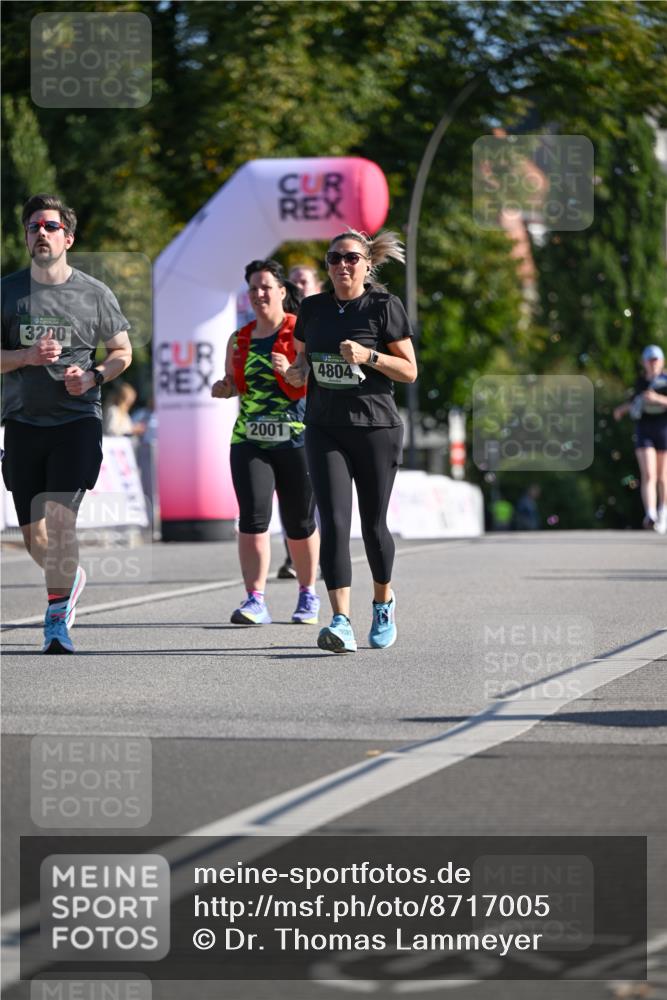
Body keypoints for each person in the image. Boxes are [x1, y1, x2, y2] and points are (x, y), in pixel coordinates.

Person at [1, 193, 132, 653]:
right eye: (33, 225)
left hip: (76, 421)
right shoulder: (8, 292)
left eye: (50, 226)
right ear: (25, 236)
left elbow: (122, 352)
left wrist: (94, 375)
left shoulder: (94, 293)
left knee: (59, 521)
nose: (41, 232)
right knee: (32, 534)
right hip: (21, 422)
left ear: (68, 238)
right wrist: (25, 356)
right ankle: (69, 578)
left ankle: (56, 618)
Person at [286, 229, 417, 653]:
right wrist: (294, 373)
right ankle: (340, 620)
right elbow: (304, 363)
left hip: (375, 427)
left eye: (352, 258)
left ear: (366, 264)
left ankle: (382, 601)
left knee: (373, 524)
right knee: (335, 523)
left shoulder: (383, 306)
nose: (343, 265)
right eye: (335, 258)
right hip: (325, 427)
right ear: (327, 265)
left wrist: (370, 357)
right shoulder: (312, 309)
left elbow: (410, 371)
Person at [211, 259, 320, 624]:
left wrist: (286, 371)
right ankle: (254, 599)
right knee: (252, 518)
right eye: (253, 288)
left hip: (295, 439)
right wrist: (224, 389)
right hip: (249, 438)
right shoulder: (239, 338)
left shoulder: (300, 332)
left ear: (282, 292)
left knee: (299, 521)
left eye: (266, 287)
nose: (259, 294)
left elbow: (309, 384)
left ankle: (308, 595)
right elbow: (234, 383)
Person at [274, 264, 324, 581]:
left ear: (317, 285)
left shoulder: (325, 317)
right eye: (292, 281)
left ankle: (319, 554)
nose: (297, 286)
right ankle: (292, 555)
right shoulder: (277, 323)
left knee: (315, 490)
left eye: (303, 280)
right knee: (290, 487)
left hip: (319, 411)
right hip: (286, 414)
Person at [614, 344, 667, 533]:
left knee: (663, 477)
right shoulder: (640, 382)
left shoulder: (666, 380)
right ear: (644, 362)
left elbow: (655, 400)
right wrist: (621, 410)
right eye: (649, 360)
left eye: (656, 360)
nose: (653, 364)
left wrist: (658, 400)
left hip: (664, 430)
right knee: (649, 473)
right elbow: (636, 401)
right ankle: (650, 514)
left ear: (661, 361)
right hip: (644, 430)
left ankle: (663, 512)